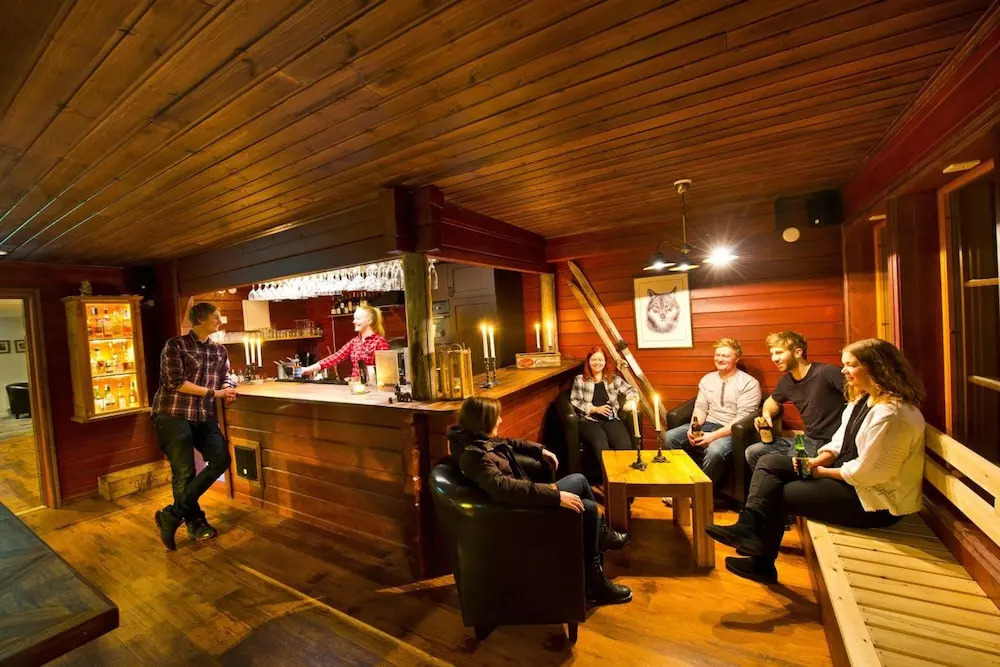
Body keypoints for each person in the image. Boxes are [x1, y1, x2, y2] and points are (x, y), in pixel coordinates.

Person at [706, 339, 926, 583]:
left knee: (779, 492)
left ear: (876, 367)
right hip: (847, 479)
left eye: (851, 365)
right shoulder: (863, 400)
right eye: (844, 365)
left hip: (875, 501)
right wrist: (816, 461)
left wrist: (819, 472)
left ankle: (761, 562)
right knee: (768, 461)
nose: (844, 371)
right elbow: (838, 442)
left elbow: (868, 474)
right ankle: (749, 526)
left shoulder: (892, 414)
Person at [448, 396, 633, 606]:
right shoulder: (475, 456)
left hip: (522, 503)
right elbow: (505, 489)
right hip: (519, 516)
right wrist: (555, 496)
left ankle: (596, 565)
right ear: (484, 421)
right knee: (582, 487)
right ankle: (597, 564)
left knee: (588, 505)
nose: (500, 420)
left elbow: (508, 442)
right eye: (496, 417)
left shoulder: (477, 441)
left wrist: (539, 449)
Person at [152, 302, 238, 550]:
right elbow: (175, 383)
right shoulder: (175, 345)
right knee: (184, 472)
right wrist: (215, 393)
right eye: (215, 317)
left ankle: (171, 514)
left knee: (221, 459)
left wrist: (228, 387)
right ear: (199, 319)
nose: (220, 321)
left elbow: (225, 376)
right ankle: (195, 523)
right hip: (172, 413)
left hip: (202, 414)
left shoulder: (219, 350)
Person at [662, 338, 761, 485]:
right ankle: (682, 483)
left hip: (733, 430)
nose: (720, 359)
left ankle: (700, 491)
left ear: (736, 358)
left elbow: (742, 419)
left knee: (715, 450)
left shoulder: (749, 383)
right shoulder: (707, 379)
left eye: (725, 356)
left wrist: (712, 437)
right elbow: (701, 407)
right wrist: (693, 428)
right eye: (717, 355)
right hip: (708, 423)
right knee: (670, 437)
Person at [745, 331, 846, 469]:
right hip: (806, 439)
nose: (774, 358)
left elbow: (859, 395)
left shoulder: (827, 372)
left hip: (827, 442)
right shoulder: (786, 381)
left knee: (789, 466)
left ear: (798, 352)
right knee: (753, 452)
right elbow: (772, 401)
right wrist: (766, 414)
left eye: (779, 353)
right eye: (772, 354)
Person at [570, 347, 640, 479]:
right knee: (602, 447)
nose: (597, 362)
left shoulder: (613, 379)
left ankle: (627, 479)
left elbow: (632, 390)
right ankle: (611, 481)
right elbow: (575, 401)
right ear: (588, 361)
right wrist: (594, 409)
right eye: (594, 359)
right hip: (589, 421)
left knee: (624, 445)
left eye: (600, 359)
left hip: (611, 419)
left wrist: (630, 401)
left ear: (605, 362)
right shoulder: (580, 380)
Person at [302, 304, 389, 380]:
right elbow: (335, 357)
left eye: (358, 319)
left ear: (369, 321)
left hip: (373, 388)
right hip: (357, 387)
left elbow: (387, 370)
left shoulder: (379, 342)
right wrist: (308, 369)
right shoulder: (355, 342)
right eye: (354, 319)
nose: (354, 322)